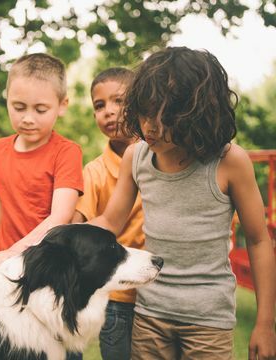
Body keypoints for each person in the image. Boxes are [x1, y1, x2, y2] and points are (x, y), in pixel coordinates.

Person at [90, 46, 276, 359]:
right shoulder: (137, 157)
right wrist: (53, 237)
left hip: (208, 322)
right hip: (151, 315)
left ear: (199, 114)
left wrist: (266, 324)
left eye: (167, 117)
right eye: (146, 113)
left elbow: (258, 242)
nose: (150, 127)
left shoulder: (230, 162)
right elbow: (109, 222)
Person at [0, 53, 84, 267]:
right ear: (7, 99)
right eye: (18, 107)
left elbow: (60, 217)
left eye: (40, 110)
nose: (27, 118)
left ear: (62, 105)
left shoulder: (67, 152)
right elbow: (4, 200)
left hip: (47, 263)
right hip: (4, 261)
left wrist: (14, 252)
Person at [69, 67, 144, 360]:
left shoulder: (162, 160)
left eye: (119, 101)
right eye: (99, 106)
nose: (109, 112)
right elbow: (78, 226)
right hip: (116, 297)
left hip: (161, 297)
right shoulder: (95, 172)